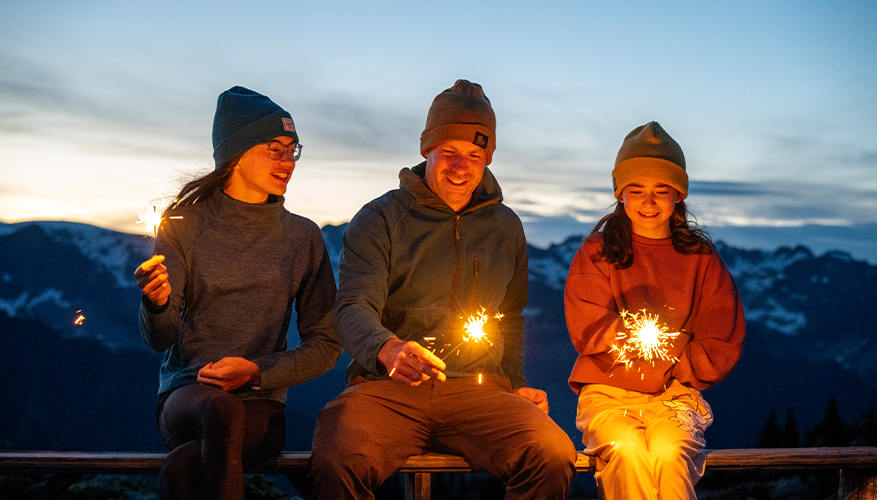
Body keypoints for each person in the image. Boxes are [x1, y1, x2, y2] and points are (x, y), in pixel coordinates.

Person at [310, 79, 577, 499]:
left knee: (552, 453)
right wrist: (387, 349)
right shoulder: (380, 218)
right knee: (337, 458)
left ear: (488, 158)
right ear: (426, 150)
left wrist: (515, 383)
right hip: (388, 389)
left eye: (474, 155)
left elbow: (510, 317)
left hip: (480, 389)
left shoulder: (505, 226)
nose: (460, 167)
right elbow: (352, 306)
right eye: (449, 153)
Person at [134, 86, 341, 500]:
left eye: (292, 149)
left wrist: (257, 372)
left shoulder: (302, 237)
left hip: (260, 405)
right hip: (187, 397)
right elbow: (160, 340)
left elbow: (327, 344)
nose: (287, 162)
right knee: (218, 409)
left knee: (181, 468)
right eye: (274, 148)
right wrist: (155, 305)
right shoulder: (183, 226)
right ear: (236, 152)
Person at [565, 121, 746, 500]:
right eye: (637, 190)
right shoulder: (597, 254)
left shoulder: (701, 260)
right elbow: (588, 326)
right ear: (621, 195)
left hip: (675, 397)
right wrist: (672, 343)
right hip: (607, 393)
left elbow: (720, 340)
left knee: (669, 453)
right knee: (626, 452)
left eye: (661, 191)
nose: (649, 202)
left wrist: (673, 364)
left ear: (678, 196)